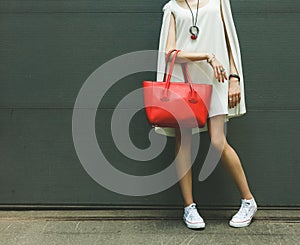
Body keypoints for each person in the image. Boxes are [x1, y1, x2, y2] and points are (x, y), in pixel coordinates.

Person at [156, 0, 257, 229]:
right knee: (184, 144)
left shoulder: (219, 1)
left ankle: (248, 201)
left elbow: (231, 40)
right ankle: (189, 208)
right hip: (185, 82)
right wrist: (206, 56)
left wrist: (235, 78)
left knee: (218, 141)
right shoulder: (172, 8)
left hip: (216, 79)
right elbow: (170, 54)